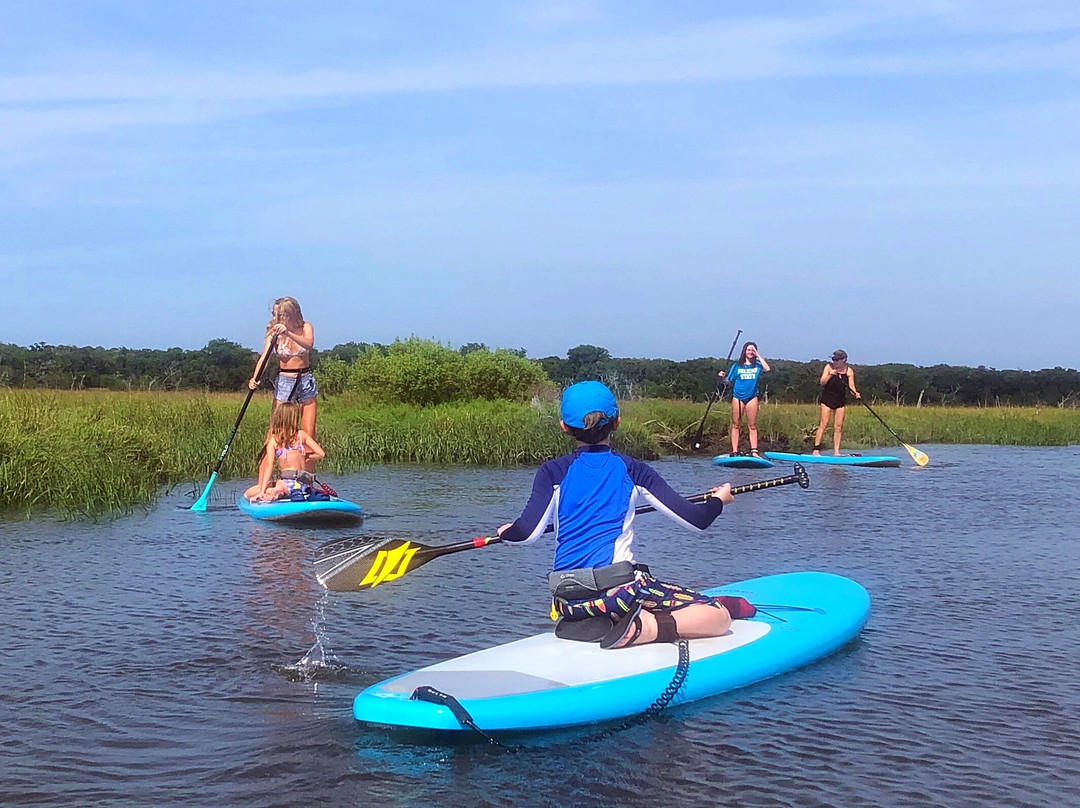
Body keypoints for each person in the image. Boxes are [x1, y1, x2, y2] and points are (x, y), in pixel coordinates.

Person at [496, 381, 756, 651]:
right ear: (617, 422)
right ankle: (645, 628)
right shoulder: (633, 470)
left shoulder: (551, 472)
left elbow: (525, 533)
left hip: (567, 602)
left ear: (564, 427)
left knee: (618, 588)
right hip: (619, 594)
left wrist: (507, 533)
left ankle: (604, 621)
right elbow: (698, 519)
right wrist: (718, 499)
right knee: (717, 615)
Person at [249, 297, 318, 438]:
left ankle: (302, 459)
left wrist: (288, 333)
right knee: (276, 431)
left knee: (308, 433)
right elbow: (265, 357)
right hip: (285, 381)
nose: (275, 318)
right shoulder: (274, 333)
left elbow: (309, 344)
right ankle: (268, 459)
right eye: (274, 314)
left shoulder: (306, 327)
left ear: (290, 314)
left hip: (305, 379)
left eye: (279, 315)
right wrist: (254, 379)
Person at [243, 403, 325, 502]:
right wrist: (306, 456)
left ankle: (275, 494)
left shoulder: (274, 440)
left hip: (287, 483)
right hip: (304, 482)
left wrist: (262, 490)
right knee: (278, 485)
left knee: (249, 493)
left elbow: (269, 466)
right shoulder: (301, 435)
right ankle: (300, 492)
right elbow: (321, 454)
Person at [718, 341, 771, 456]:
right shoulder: (737, 365)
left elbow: (767, 369)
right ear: (744, 351)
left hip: (752, 397)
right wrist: (722, 377)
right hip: (738, 397)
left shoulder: (757, 365)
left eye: (753, 350)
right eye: (748, 350)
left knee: (752, 425)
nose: (750, 352)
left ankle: (754, 451)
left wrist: (758, 355)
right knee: (736, 424)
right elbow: (728, 381)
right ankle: (735, 450)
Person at [813, 349, 861, 456]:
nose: (834, 362)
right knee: (824, 423)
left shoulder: (849, 371)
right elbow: (822, 382)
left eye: (837, 360)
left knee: (838, 426)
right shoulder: (828, 367)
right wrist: (830, 374)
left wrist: (855, 393)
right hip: (827, 398)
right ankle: (816, 450)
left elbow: (851, 386)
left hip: (840, 400)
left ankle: (836, 452)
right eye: (833, 359)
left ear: (843, 360)